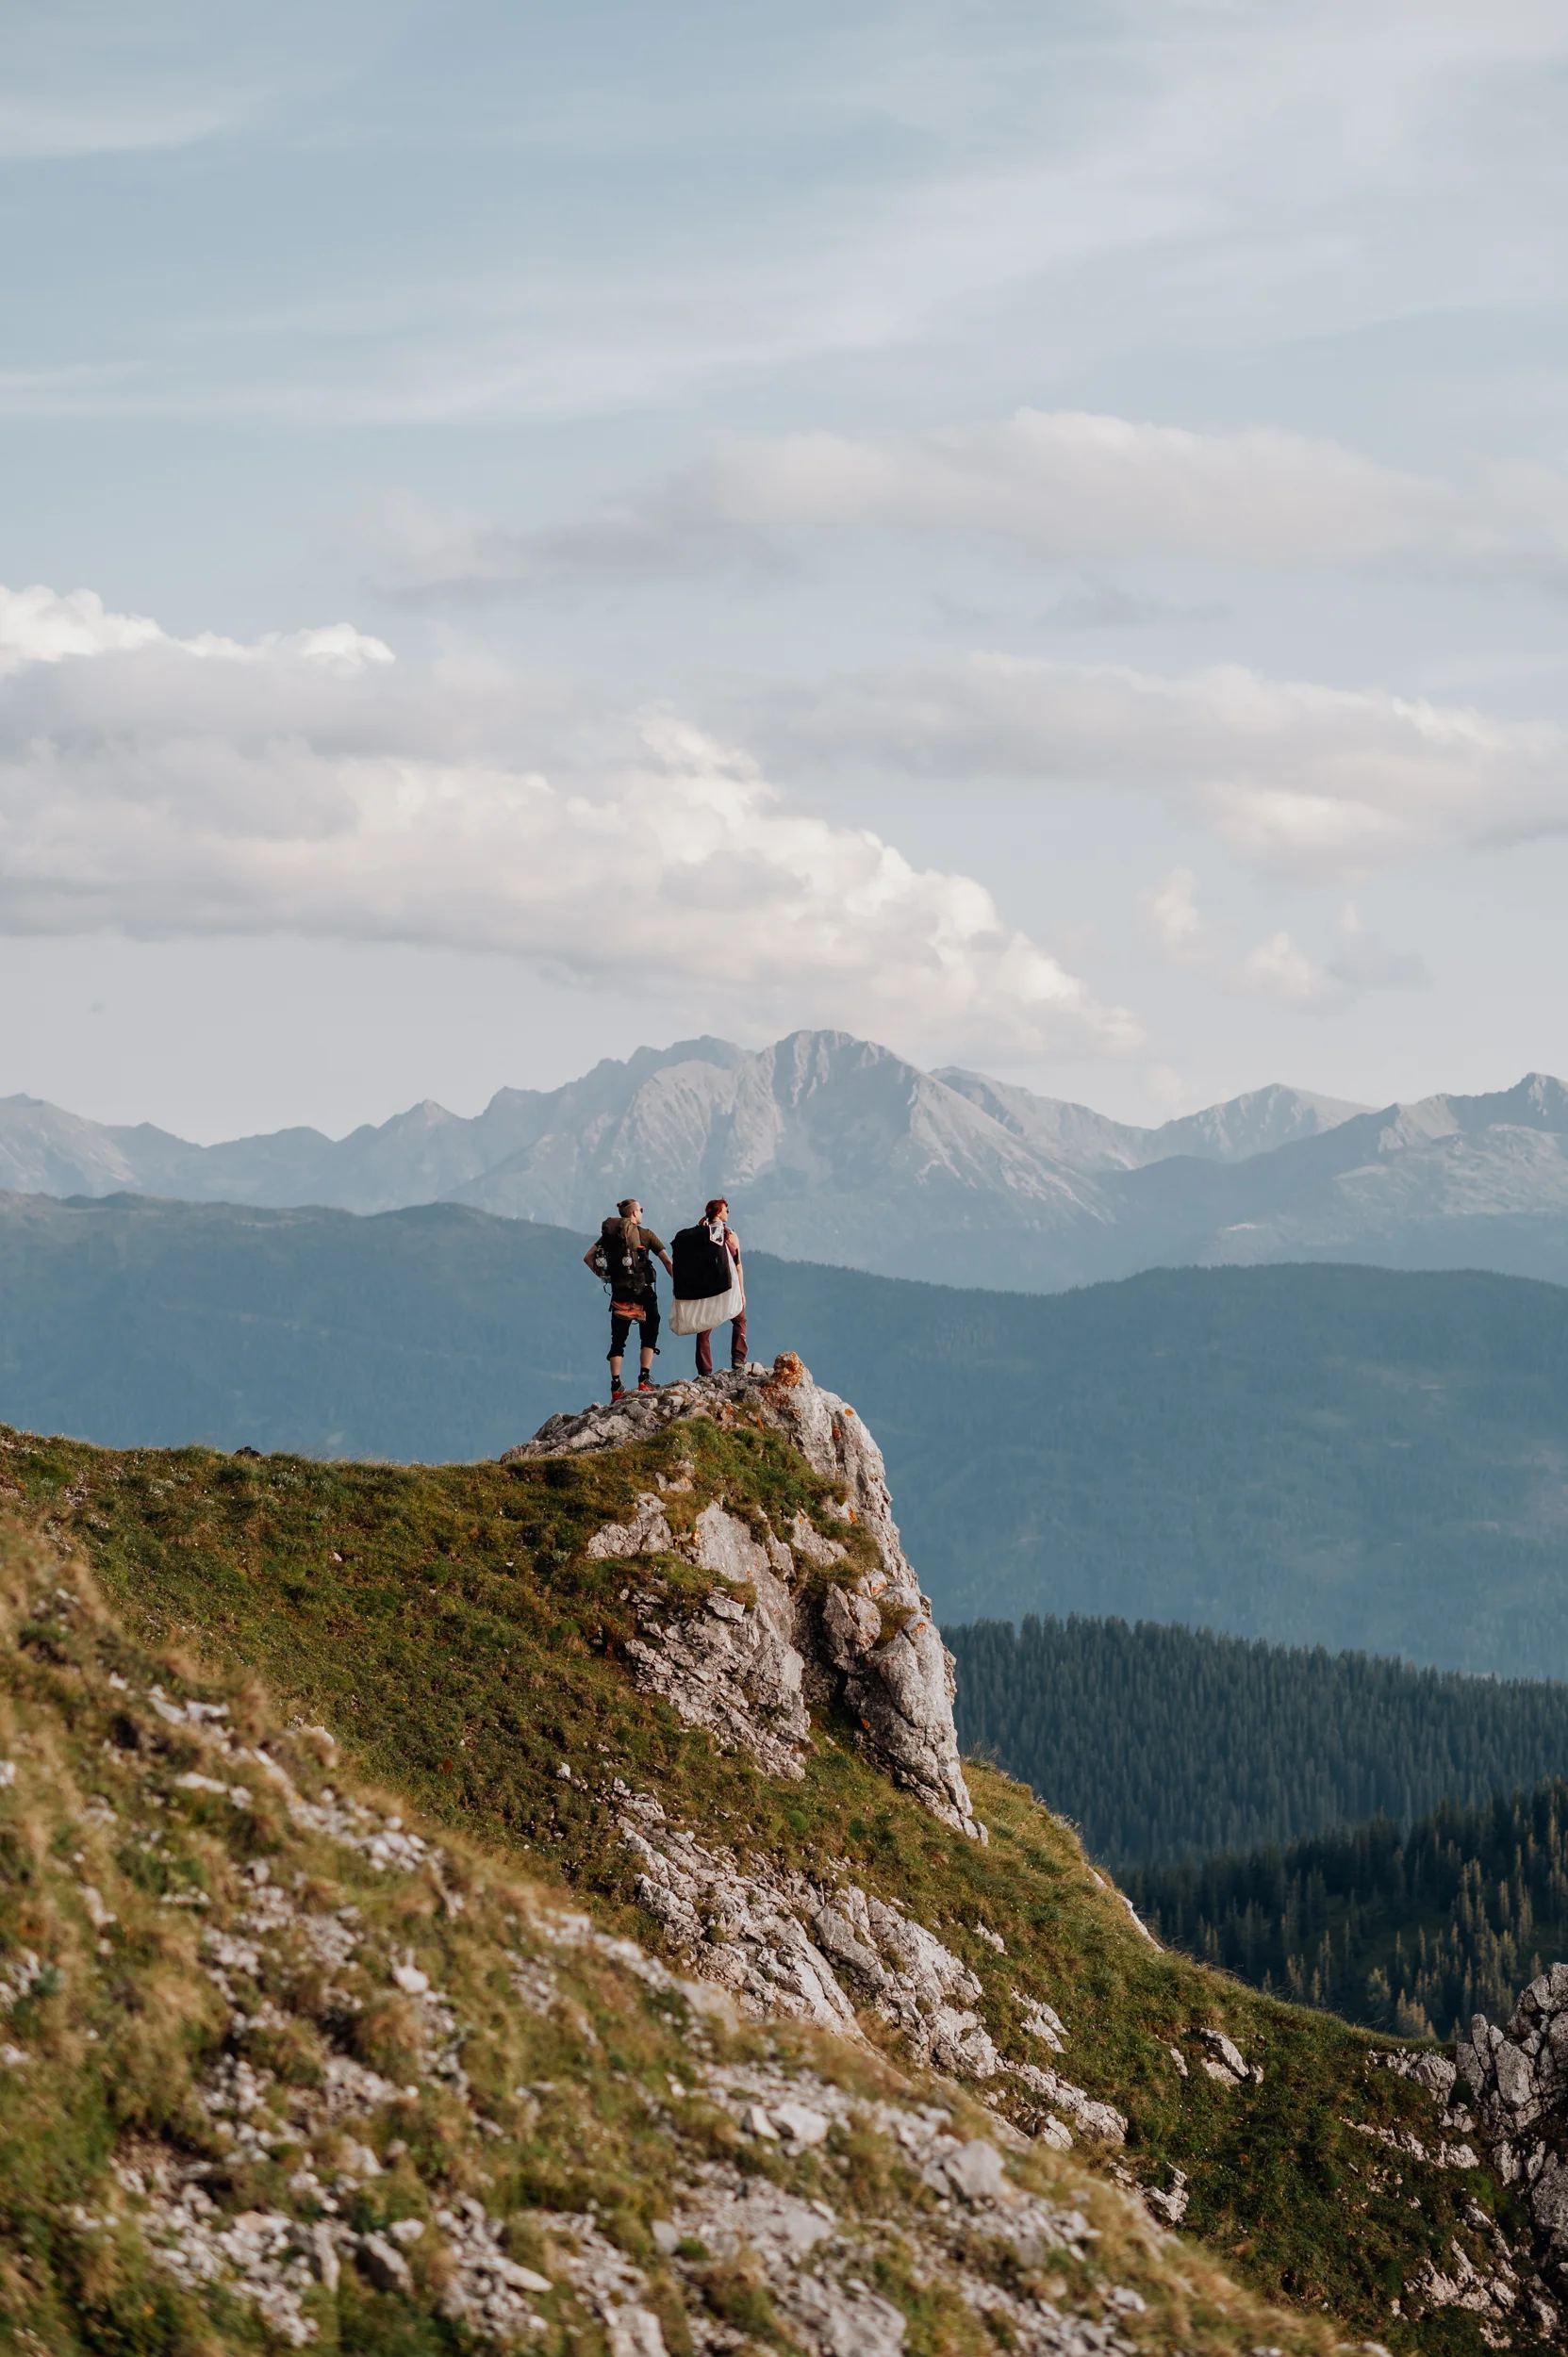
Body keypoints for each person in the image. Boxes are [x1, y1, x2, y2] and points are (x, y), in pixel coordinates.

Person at [584, 1197, 673, 1399]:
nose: (642, 1212)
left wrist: (606, 1277)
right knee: (649, 1333)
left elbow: (588, 1257)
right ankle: (644, 1379)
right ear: (634, 1213)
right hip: (643, 1293)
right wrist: (680, 1283)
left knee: (618, 1340)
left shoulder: (609, 1237)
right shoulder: (646, 1234)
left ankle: (616, 1386)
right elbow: (667, 1262)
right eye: (641, 1209)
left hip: (619, 1293)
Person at [692, 1196, 747, 1376]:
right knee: (739, 1320)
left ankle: (704, 1371)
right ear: (718, 1212)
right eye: (726, 1209)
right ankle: (738, 1359)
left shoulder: (700, 1233)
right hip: (728, 1286)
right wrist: (742, 1292)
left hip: (707, 1288)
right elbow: (738, 1265)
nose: (728, 1212)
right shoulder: (729, 1234)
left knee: (704, 1329)